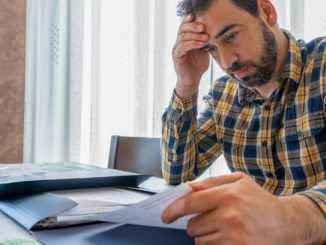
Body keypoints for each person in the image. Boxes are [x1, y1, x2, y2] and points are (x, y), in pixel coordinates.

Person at [160, 0, 326, 244]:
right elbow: (178, 173)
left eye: (232, 36)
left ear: (267, 12)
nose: (226, 62)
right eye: (211, 49)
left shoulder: (321, 68)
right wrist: (187, 83)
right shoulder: (224, 94)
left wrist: (285, 218)